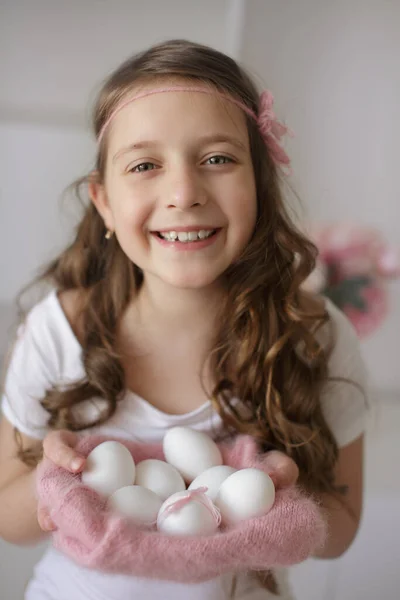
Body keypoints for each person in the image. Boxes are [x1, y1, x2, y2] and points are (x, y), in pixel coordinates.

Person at [0, 39, 368, 600]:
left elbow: (339, 530)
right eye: (145, 165)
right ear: (103, 202)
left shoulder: (312, 334)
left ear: (260, 185)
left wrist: (281, 492)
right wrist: (57, 485)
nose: (183, 193)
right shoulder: (61, 332)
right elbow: (8, 518)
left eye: (217, 159)